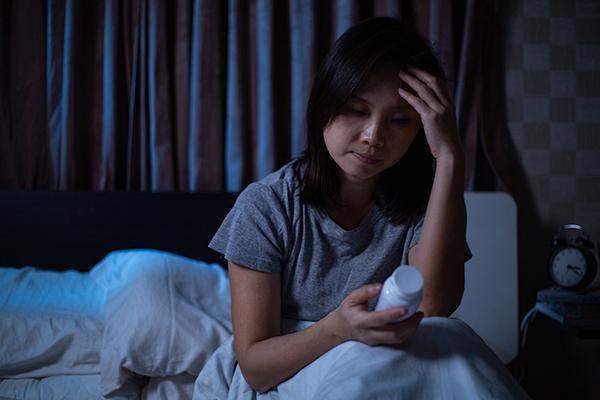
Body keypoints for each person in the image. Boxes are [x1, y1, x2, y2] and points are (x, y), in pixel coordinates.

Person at [194, 17, 529, 399]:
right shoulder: (267, 206)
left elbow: (434, 307)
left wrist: (450, 156)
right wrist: (339, 328)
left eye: (399, 120)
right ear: (324, 107)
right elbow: (254, 368)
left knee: (448, 337)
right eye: (356, 110)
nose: (373, 137)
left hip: (395, 363)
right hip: (296, 367)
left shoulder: (427, 204)